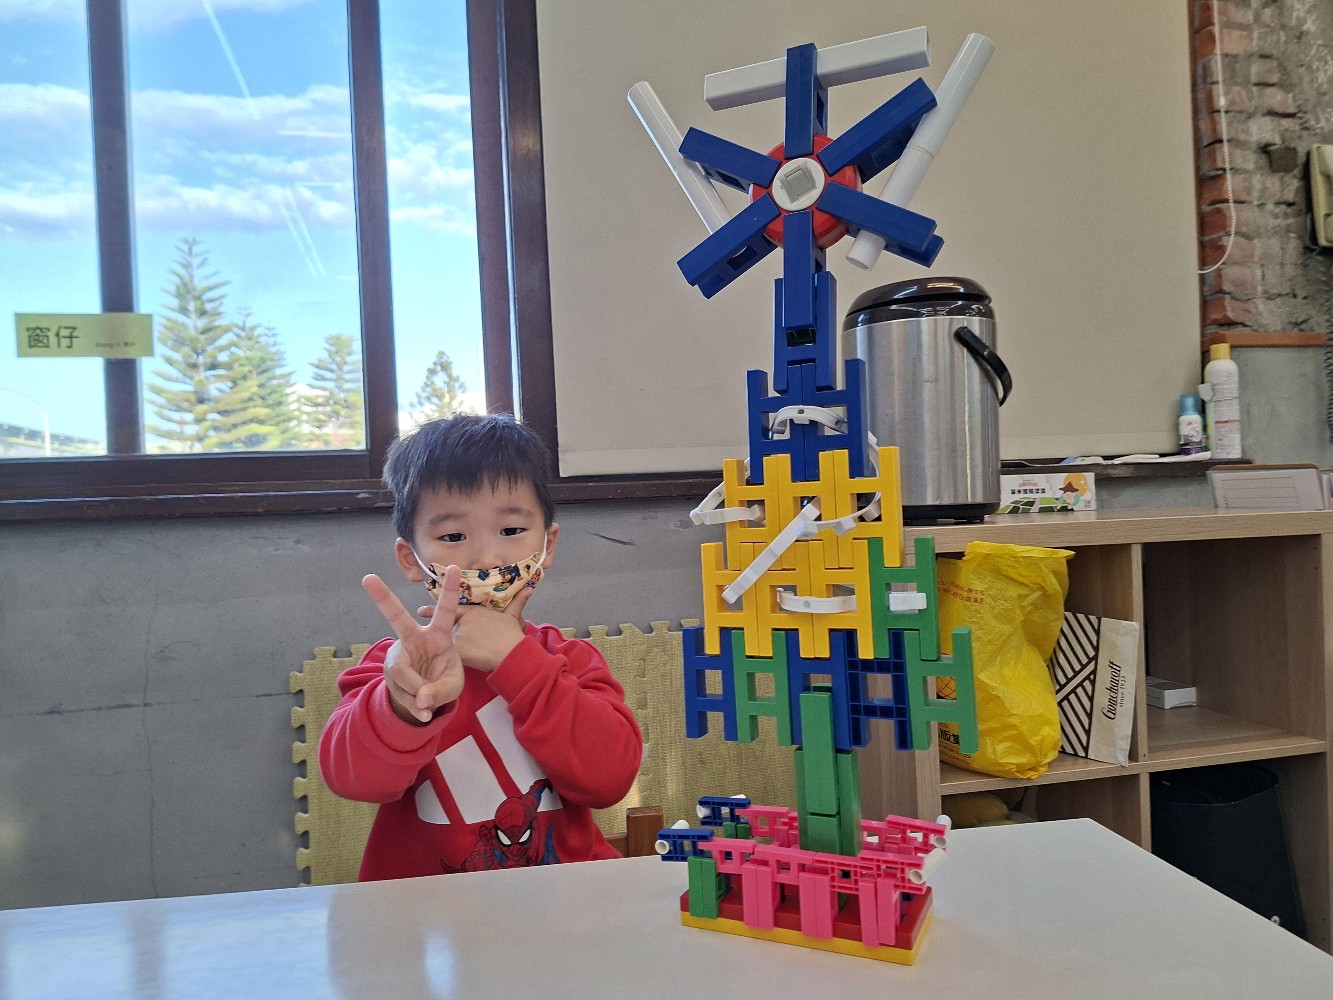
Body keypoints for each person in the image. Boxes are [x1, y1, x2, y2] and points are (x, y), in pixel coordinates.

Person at [319, 413, 643, 879]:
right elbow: (353, 780)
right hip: (428, 913)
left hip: (563, 903)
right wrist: (403, 706)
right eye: (453, 536)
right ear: (411, 559)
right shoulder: (397, 668)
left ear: (547, 546)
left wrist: (519, 662)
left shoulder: (570, 661)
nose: (487, 558)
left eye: (511, 531)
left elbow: (610, 781)